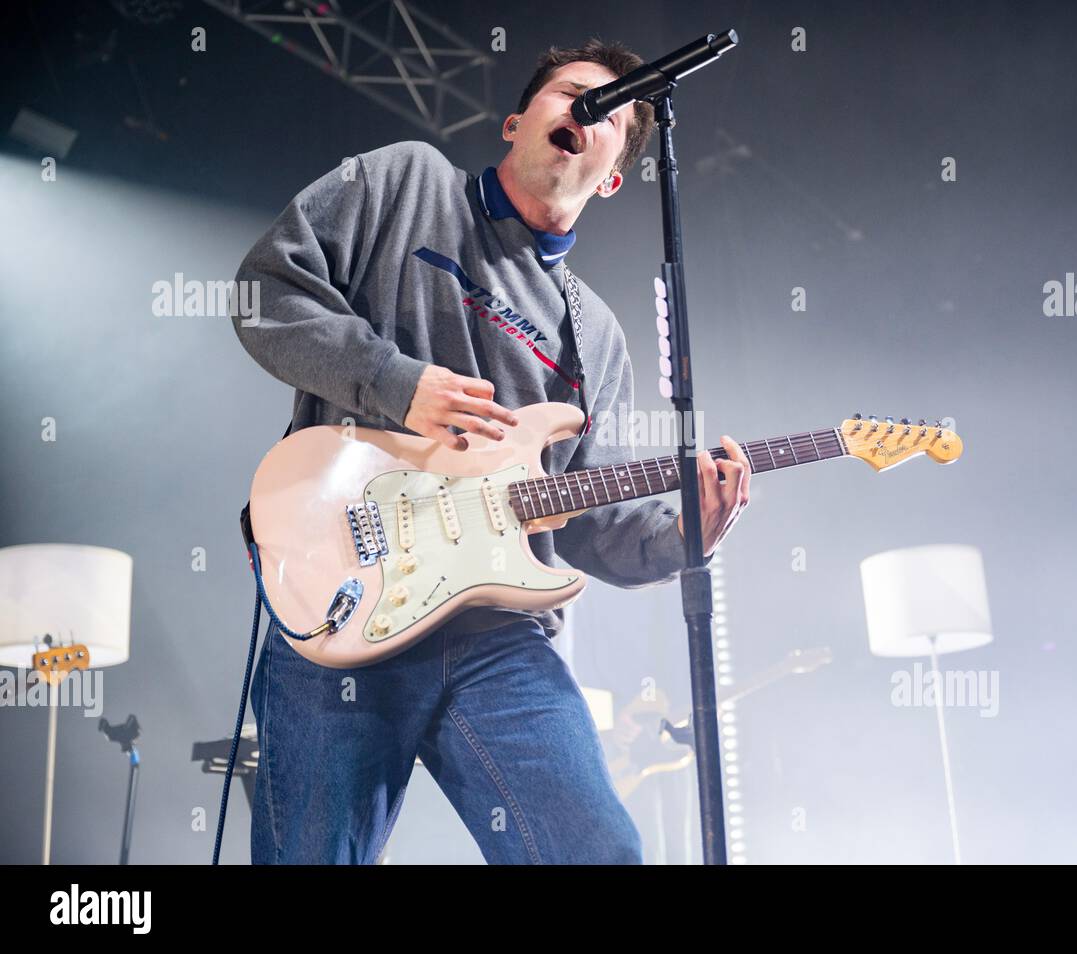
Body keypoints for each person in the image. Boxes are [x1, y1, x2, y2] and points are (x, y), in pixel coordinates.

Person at [231, 38, 751, 864]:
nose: (585, 110)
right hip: (348, 588)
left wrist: (688, 535)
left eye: (609, 112)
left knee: (598, 852)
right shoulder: (407, 184)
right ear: (517, 121)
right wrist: (394, 381)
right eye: (569, 93)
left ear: (613, 177)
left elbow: (594, 526)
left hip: (499, 637)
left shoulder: (598, 337)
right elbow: (265, 293)